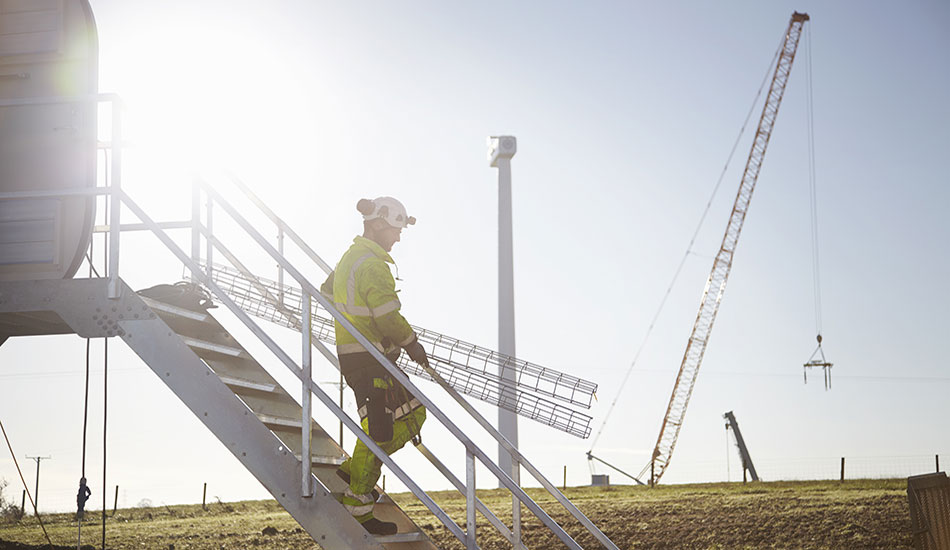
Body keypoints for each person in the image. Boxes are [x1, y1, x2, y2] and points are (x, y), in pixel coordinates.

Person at [321, 196, 429, 536]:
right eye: (396, 231)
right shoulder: (372, 265)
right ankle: (358, 504)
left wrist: (354, 325)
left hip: (366, 356)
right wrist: (411, 343)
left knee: (414, 413)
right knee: (381, 431)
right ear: (379, 224)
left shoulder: (351, 258)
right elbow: (387, 316)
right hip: (368, 359)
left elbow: (327, 290)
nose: (397, 238)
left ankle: (353, 470)